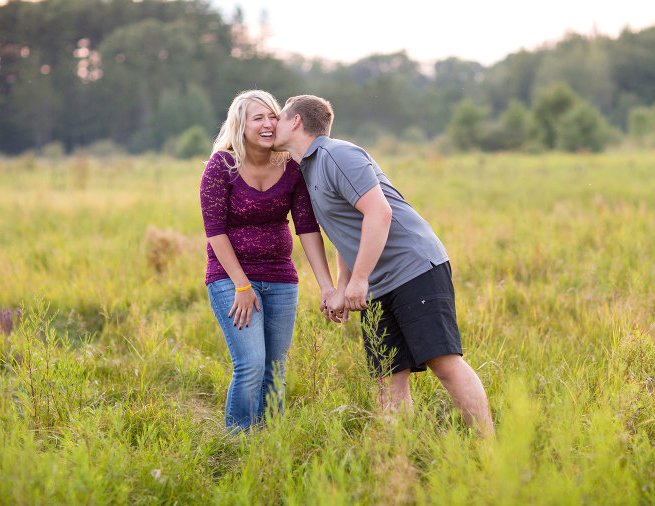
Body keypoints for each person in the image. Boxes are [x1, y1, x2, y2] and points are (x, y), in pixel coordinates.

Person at [272, 95, 495, 437]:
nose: (273, 124)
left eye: (279, 117)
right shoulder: (309, 169)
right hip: (376, 281)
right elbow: (349, 232)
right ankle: (400, 457)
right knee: (388, 376)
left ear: (296, 121)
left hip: (414, 267)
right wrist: (342, 285)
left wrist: (359, 280)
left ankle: (489, 450)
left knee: (443, 362)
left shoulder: (337, 154)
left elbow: (380, 212)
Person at [200, 90, 335, 433]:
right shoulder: (222, 166)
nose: (267, 123)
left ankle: (270, 441)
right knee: (250, 363)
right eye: (257, 117)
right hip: (231, 278)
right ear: (240, 125)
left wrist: (327, 286)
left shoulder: (292, 168)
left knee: (275, 367)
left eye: (272, 116)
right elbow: (215, 233)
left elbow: (307, 229)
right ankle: (238, 441)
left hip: (280, 279)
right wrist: (242, 285)